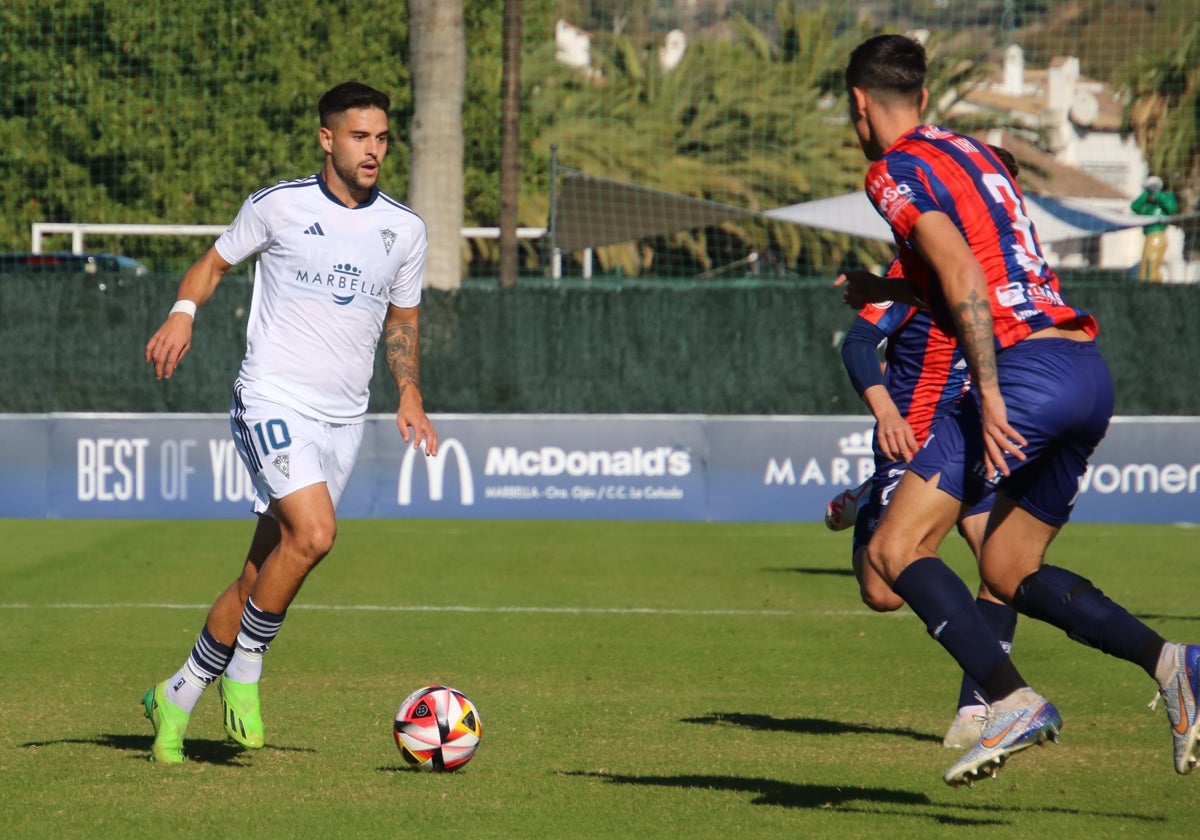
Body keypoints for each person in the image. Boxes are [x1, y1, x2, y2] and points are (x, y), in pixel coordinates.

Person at [838, 33, 1200, 787]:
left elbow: (965, 270)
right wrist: (892, 293)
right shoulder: (970, 154)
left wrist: (991, 388)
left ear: (858, 103)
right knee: (1006, 567)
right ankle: (1172, 663)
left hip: (1024, 373)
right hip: (1082, 366)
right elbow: (980, 268)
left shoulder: (891, 171)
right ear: (929, 99)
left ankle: (1010, 700)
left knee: (892, 553)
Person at [141, 81, 438, 764]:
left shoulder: (405, 229)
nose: (374, 150)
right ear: (327, 139)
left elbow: (403, 319)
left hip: (344, 421)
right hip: (271, 399)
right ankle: (244, 670)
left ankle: (176, 695)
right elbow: (213, 264)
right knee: (316, 533)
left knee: (258, 575)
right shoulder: (278, 206)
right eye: (360, 137)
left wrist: (409, 392)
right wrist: (182, 313)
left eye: (383, 137)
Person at [830, 257, 1014, 750]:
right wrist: (887, 412)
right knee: (882, 593)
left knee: (1003, 565)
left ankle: (980, 706)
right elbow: (860, 341)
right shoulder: (916, 267)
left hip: (976, 439)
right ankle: (873, 495)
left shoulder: (1012, 266)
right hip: (912, 441)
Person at [1131, 175, 1178, 283]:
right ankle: (1152, 287)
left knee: (1150, 267)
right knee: (1147, 267)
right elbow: (1135, 207)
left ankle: (1151, 289)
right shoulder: (1148, 206)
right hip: (1149, 236)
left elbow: (1172, 208)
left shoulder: (1166, 198)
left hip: (1157, 235)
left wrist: (1157, 195)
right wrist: (1146, 194)